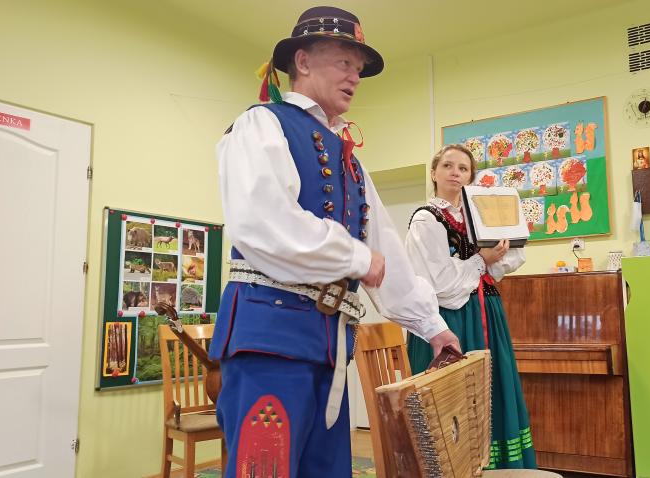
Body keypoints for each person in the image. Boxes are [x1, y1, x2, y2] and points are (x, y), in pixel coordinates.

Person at [209, 7, 460, 477]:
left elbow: (387, 250)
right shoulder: (262, 124)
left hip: (330, 351)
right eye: (344, 62)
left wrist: (432, 326)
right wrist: (355, 257)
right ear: (302, 61)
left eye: (359, 69)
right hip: (269, 345)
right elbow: (263, 221)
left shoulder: (351, 162)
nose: (355, 77)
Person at [404, 144, 537, 469]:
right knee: (451, 399)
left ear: (470, 177)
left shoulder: (480, 216)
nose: (455, 173)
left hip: (487, 310)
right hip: (449, 318)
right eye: (448, 166)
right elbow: (439, 282)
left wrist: (492, 256)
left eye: (463, 169)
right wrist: (481, 260)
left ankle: (496, 469)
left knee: (493, 388)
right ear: (434, 173)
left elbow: (510, 258)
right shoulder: (426, 219)